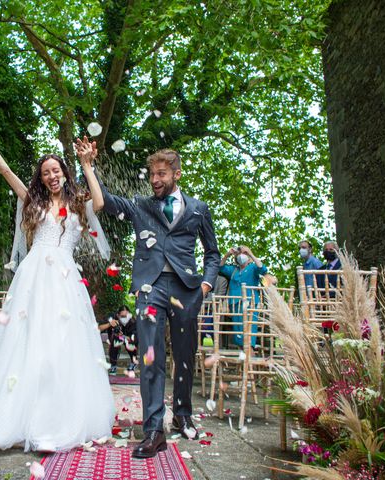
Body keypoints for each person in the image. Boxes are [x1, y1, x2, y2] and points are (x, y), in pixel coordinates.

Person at [0, 114, 114, 454]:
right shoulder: (34, 201)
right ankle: (14, 420)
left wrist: (88, 164)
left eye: (56, 170)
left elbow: (100, 203)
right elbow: (4, 171)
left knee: (63, 343)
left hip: (65, 278)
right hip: (34, 277)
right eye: (45, 172)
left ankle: (58, 421)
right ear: (41, 178)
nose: (51, 176)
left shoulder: (78, 202)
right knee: (28, 341)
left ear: (64, 171)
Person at [81, 140, 220, 458]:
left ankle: (183, 415)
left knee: (184, 356)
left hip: (187, 289)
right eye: (151, 174)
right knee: (150, 357)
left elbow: (213, 254)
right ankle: (154, 429)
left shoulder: (198, 209)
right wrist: (89, 166)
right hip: (150, 288)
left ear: (176, 174)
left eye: (161, 173)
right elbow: (106, 203)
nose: (155, 179)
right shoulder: (141, 205)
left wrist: (205, 288)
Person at [219, 245, 268, 348]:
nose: (241, 255)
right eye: (239, 254)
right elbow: (220, 267)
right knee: (238, 333)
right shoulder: (234, 270)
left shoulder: (253, 268)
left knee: (249, 331)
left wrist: (250, 253)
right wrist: (228, 254)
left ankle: (250, 358)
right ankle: (244, 359)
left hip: (250, 304)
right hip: (235, 304)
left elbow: (263, 269)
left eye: (244, 254)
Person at [98, 305, 138, 375]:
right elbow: (99, 328)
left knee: (131, 342)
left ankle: (133, 362)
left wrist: (123, 336)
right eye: (122, 316)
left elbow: (134, 338)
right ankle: (113, 365)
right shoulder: (112, 318)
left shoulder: (132, 321)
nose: (125, 318)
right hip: (115, 339)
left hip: (127, 339)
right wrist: (109, 324)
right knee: (115, 338)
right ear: (118, 315)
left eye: (127, 315)